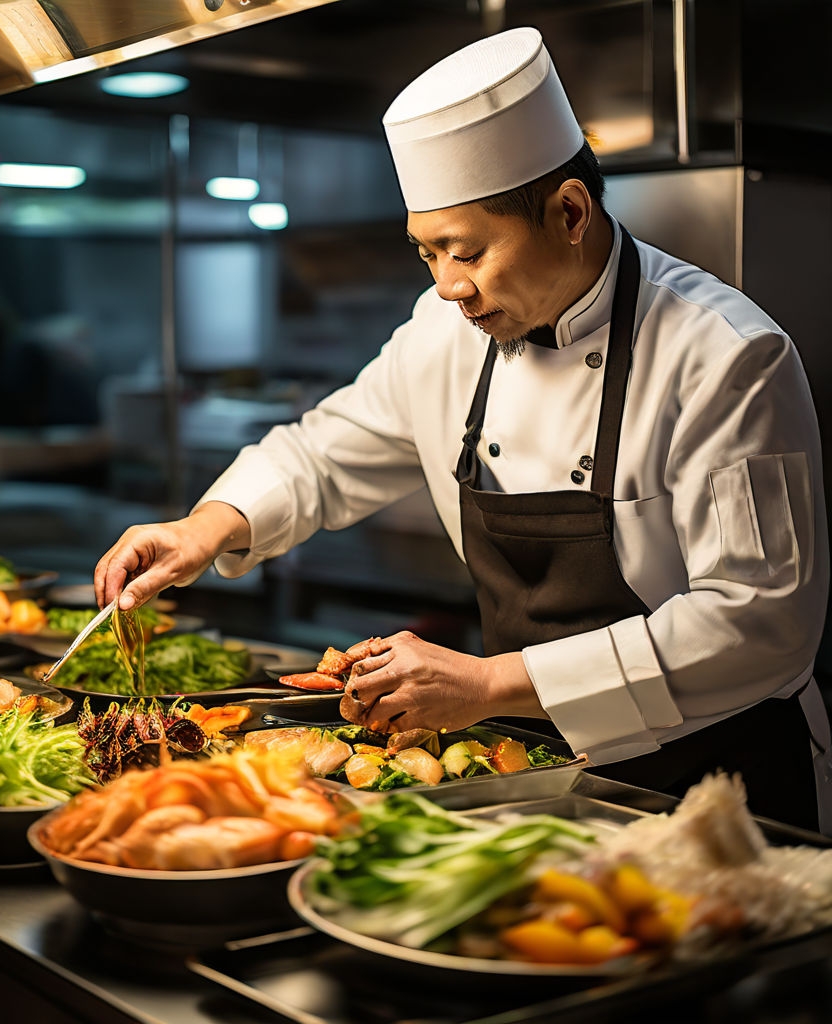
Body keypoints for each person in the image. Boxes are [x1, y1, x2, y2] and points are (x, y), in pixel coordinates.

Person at [92, 27, 832, 834]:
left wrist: (489, 684)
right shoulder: (447, 332)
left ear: (570, 211)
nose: (447, 287)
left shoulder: (726, 356)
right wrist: (204, 528)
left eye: (466, 251)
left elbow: (758, 623)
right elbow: (328, 451)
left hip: (719, 786)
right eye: (426, 254)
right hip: (535, 776)